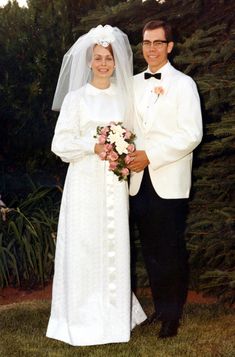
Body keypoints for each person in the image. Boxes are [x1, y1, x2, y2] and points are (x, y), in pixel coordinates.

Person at [46, 25, 146, 346]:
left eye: (109, 58)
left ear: (116, 63)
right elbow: (59, 144)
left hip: (115, 185)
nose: (103, 63)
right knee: (85, 244)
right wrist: (94, 146)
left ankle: (114, 317)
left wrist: (125, 148)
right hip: (84, 182)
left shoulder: (123, 97)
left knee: (112, 242)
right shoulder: (76, 99)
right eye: (98, 58)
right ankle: (80, 317)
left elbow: (135, 136)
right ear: (89, 61)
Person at [128, 20, 203, 338]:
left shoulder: (184, 84)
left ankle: (172, 316)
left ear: (170, 46)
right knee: (150, 248)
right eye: (146, 43)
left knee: (170, 247)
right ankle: (161, 307)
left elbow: (192, 135)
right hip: (135, 179)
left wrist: (151, 155)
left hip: (168, 178)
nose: (152, 49)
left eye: (158, 43)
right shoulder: (131, 83)